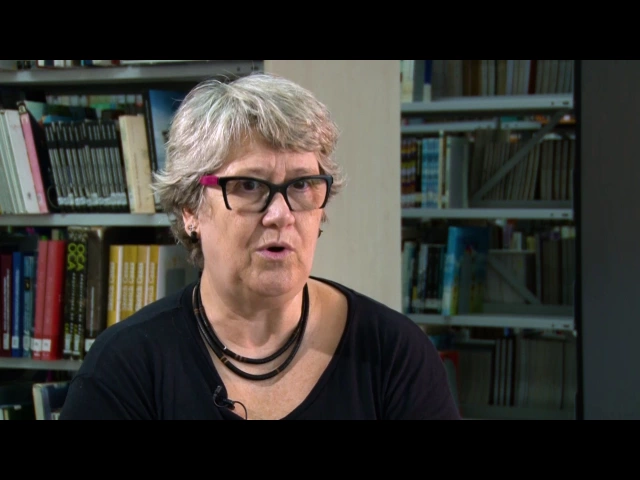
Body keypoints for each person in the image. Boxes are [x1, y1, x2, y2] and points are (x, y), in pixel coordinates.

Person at [59, 72, 461, 420]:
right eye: (249, 185)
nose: (280, 214)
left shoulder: (395, 354)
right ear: (190, 208)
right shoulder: (125, 368)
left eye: (301, 185)